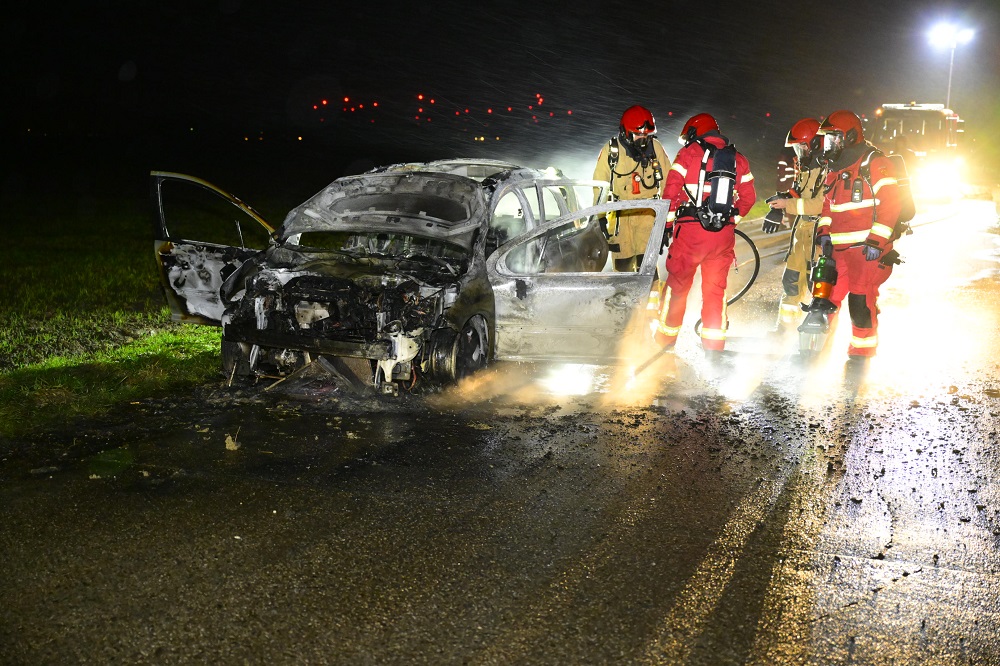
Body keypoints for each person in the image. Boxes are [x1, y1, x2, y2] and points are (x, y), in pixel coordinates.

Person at [653, 113, 756, 356]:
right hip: (722, 238)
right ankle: (714, 348)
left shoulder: (688, 154)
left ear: (693, 133)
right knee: (715, 292)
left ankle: (664, 344)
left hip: (690, 233)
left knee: (677, 288)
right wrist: (730, 221)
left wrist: (666, 226)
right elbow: (749, 198)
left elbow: (670, 193)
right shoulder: (738, 159)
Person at [814, 109, 902, 362]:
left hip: (867, 250)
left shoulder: (875, 163)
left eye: (834, 137)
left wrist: (877, 240)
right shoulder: (835, 167)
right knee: (826, 299)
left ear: (850, 135)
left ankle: (861, 354)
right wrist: (824, 232)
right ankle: (817, 350)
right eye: (828, 138)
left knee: (860, 301)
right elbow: (828, 207)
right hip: (839, 251)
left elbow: (891, 204)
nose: (830, 144)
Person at [764, 117, 827, 332]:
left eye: (801, 147)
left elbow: (820, 204)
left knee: (817, 288)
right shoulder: (807, 167)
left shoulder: (827, 169)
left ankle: (815, 334)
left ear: (815, 143)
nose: (799, 152)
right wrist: (778, 205)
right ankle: (784, 331)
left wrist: (787, 204)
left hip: (817, 235)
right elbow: (797, 194)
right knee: (790, 282)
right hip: (801, 233)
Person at [593, 105, 671, 272]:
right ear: (625, 133)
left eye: (646, 135)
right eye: (638, 135)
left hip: (648, 217)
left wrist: (666, 223)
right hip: (621, 219)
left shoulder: (656, 149)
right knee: (623, 272)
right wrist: (599, 219)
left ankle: (651, 298)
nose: (643, 141)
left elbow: (668, 184)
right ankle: (624, 298)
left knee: (649, 271)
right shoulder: (611, 151)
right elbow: (600, 186)